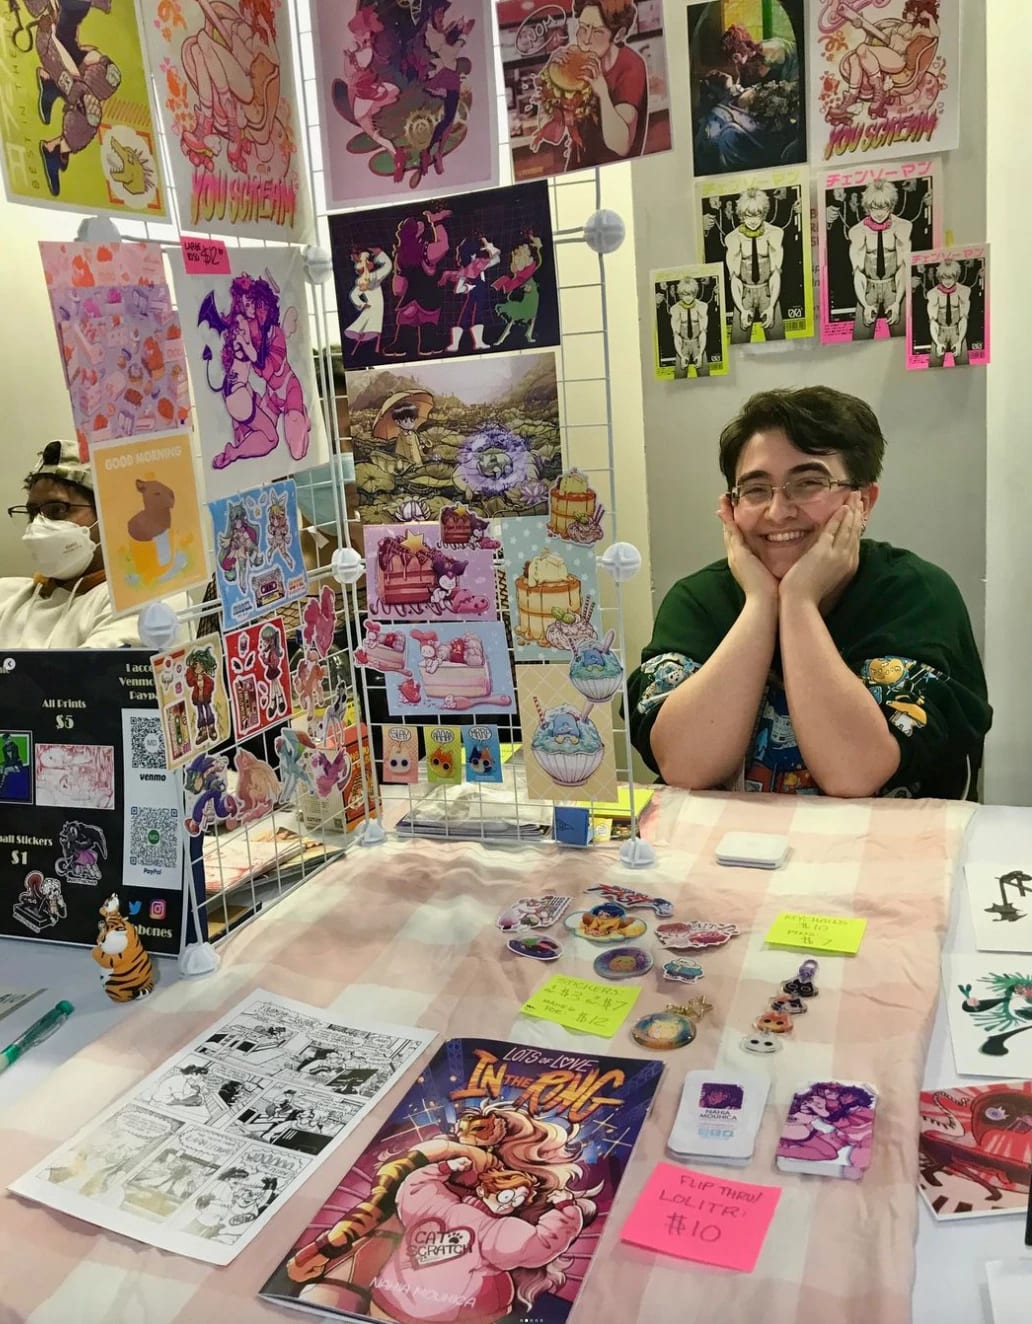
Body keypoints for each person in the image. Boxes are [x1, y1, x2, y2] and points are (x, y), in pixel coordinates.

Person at [628, 387, 991, 799]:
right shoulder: (697, 601)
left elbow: (853, 773)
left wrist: (799, 602)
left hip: (887, 856)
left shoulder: (917, 595)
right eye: (756, 489)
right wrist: (761, 604)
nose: (778, 512)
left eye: (808, 483)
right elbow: (685, 765)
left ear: (863, 501)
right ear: (730, 507)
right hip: (726, 857)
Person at [2, 440, 143, 648]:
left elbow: (87, 676)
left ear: (108, 515)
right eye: (33, 513)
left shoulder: (138, 601)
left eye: (57, 510)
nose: (39, 525)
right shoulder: (6, 594)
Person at [848, 180, 911, 339]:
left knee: (903, 338)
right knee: (860, 337)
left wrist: (897, 302)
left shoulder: (902, 227)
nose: (879, 213)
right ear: (868, 207)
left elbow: (903, 268)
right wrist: (865, 304)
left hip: (893, 285)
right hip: (869, 286)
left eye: (883, 207)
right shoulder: (858, 231)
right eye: (874, 207)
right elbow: (858, 273)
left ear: (891, 206)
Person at [723, 187, 785, 343]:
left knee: (778, 340)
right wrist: (742, 309)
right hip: (745, 293)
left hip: (767, 291)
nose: (752, 220)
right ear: (741, 215)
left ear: (763, 213)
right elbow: (735, 280)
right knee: (738, 341)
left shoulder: (775, 234)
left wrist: (771, 306)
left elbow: (775, 274)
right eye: (747, 215)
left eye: (756, 215)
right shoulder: (733, 238)